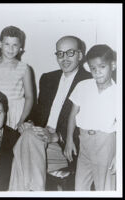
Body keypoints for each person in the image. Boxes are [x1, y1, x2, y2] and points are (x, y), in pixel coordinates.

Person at [9, 35, 92, 191]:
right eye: (60, 53)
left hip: (65, 148)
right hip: (40, 140)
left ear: (80, 55)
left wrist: (57, 136)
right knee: (27, 137)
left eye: (70, 53)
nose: (64, 58)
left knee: (22, 151)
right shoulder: (48, 78)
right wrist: (29, 123)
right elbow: (37, 112)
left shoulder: (90, 81)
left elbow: (88, 126)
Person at [65, 44, 116, 190]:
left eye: (102, 67)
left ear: (112, 65)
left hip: (105, 143)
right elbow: (73, 114)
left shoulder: (118, 93)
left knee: (104, 187)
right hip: (84, 142)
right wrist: (69, 140)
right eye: (93, 68)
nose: (97, 72)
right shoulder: (83, 86)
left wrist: (118, 156)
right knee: (80, 187)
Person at [0, 26, 34, 130]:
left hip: (18, 113)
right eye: (7, 44)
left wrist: (22, 120)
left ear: (21, 47)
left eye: (15, 45)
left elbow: (29, 97)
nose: (11, 49)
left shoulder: (24, 68)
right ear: (0, 44)